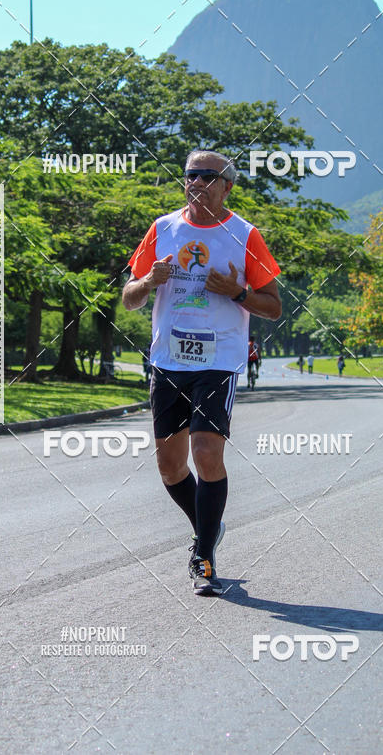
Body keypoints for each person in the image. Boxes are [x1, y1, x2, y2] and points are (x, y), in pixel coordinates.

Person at [122, 149, 282, 595]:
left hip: (218, 360)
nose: (197, 182)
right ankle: (208, 526)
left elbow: (273, 306)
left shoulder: (245, 235)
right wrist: (148, 282)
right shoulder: (163, 229)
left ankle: (204, 556)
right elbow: (129, 298)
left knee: (207, 453)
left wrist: (238, 292)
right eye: (191, 174)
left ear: (227, 185)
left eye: (208, 176)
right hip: (169, 361)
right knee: (170, 468)